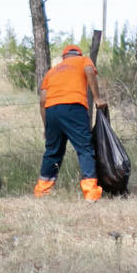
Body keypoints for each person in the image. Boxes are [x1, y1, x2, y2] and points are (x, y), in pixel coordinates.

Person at [36, 44, 103, 201]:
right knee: (85, 148)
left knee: (53, 151)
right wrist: (97, 98)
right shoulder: (83, 60)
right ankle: (91, 192)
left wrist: (47, 126)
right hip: (73, 107)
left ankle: (42, 191)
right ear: (78, 54)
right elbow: (89, 71)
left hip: (51, 110)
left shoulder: (51, 72)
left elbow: (42, 101)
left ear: (64, 57)